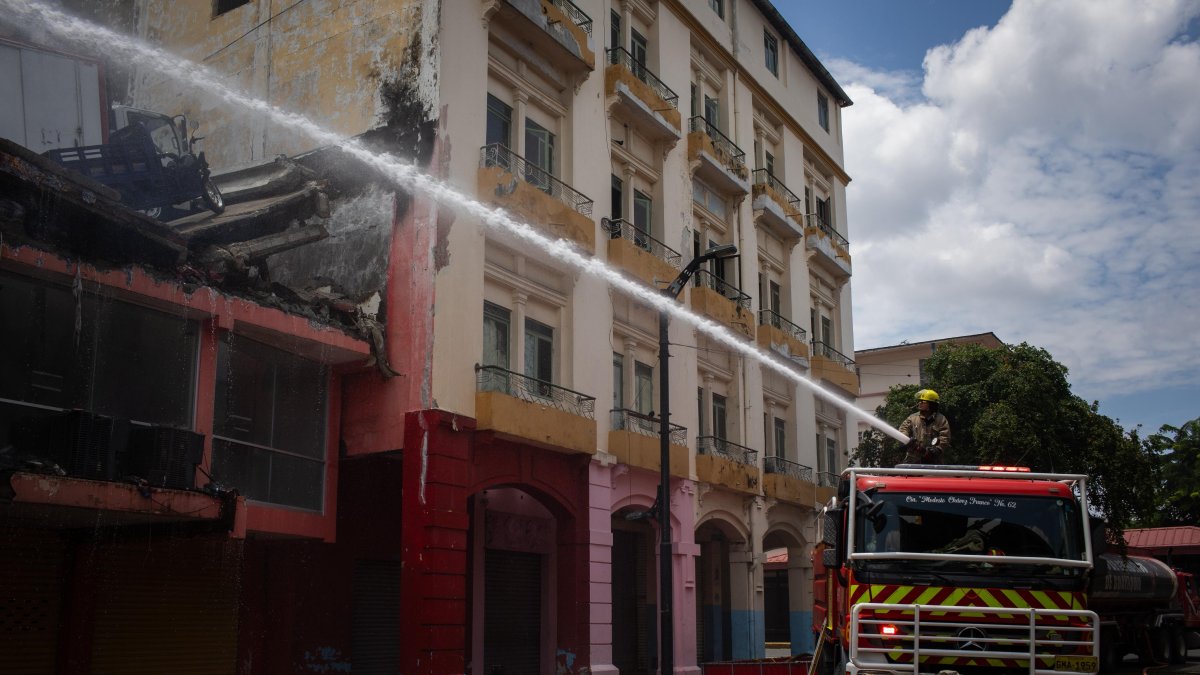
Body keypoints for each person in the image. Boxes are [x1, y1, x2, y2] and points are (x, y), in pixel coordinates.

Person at [898, 389, 950, 464]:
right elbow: (903, 429)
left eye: (923, 401)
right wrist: (906, 440)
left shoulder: (941, 419)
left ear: (931, 404)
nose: (919, 403)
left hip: (933, 460)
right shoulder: (913, 418)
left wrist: (938, 449)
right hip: (913, 459)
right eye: (919, 401)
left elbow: (945, 437)